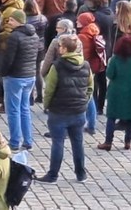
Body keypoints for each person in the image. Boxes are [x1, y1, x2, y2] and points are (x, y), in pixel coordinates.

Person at [39, 35, 92, 183]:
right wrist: (84, 102)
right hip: (79, 111)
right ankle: (81, 174)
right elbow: (90, 87)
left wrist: (46, 105)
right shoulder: (86, 65)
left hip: (59, 111)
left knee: (58, 143)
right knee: (78, 143)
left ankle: (53, 175)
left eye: (60, 46)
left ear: (65, 49)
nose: (58, 48)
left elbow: (49, 89)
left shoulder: (57, 66)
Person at [98, 35, 131, 151]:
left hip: (116, 92)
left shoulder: (115, 59)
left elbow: (110, 75)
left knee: (111, 117)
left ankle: (108, 142)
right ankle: (128, 141)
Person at [0, 10, 38, 150]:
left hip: (15, 77)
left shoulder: (14, 37)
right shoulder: (34, 35)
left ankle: (15, 141)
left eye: (11, 20)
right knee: (25, 109)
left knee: (13, 110)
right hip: (30, 75)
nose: (9, 22)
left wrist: (2, 73)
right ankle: (28, 141)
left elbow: (8, 59)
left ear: (17, 21)